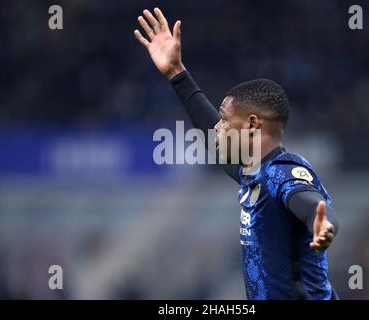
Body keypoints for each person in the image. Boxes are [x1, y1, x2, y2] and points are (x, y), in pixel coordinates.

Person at [134, 7, 339, 300]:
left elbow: (309, 202)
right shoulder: (255, 174)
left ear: (253, 124)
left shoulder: (282, 172)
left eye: (224, 119)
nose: (218, 127)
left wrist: (323, 224)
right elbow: (215, 144)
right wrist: (177, 74)